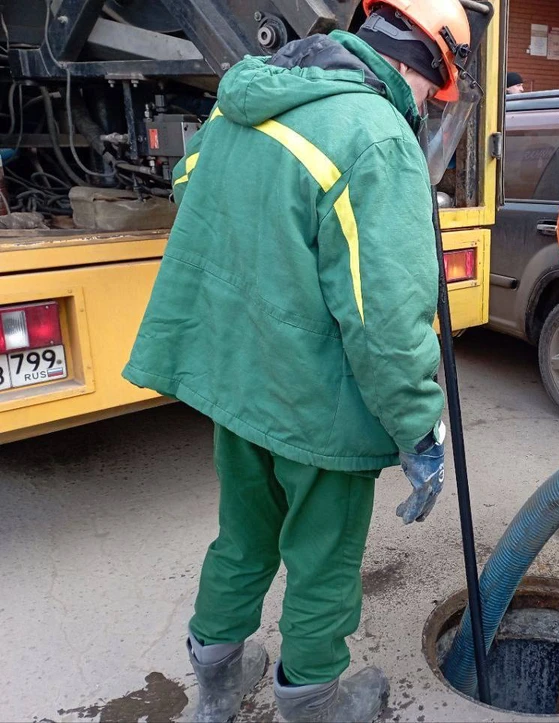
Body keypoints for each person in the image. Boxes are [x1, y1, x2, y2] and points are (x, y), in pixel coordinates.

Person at [122, 1, 471, 721]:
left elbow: (193, 187)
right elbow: (384, 316)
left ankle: (216, 682)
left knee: (244, 532)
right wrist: (418, 429)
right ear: (423, 66)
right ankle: (311, 699)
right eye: (431, 99)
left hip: (238, 378)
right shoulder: (374, 135)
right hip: (318, 398)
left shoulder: (245, 104)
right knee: (323, 556)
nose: (423, 111)